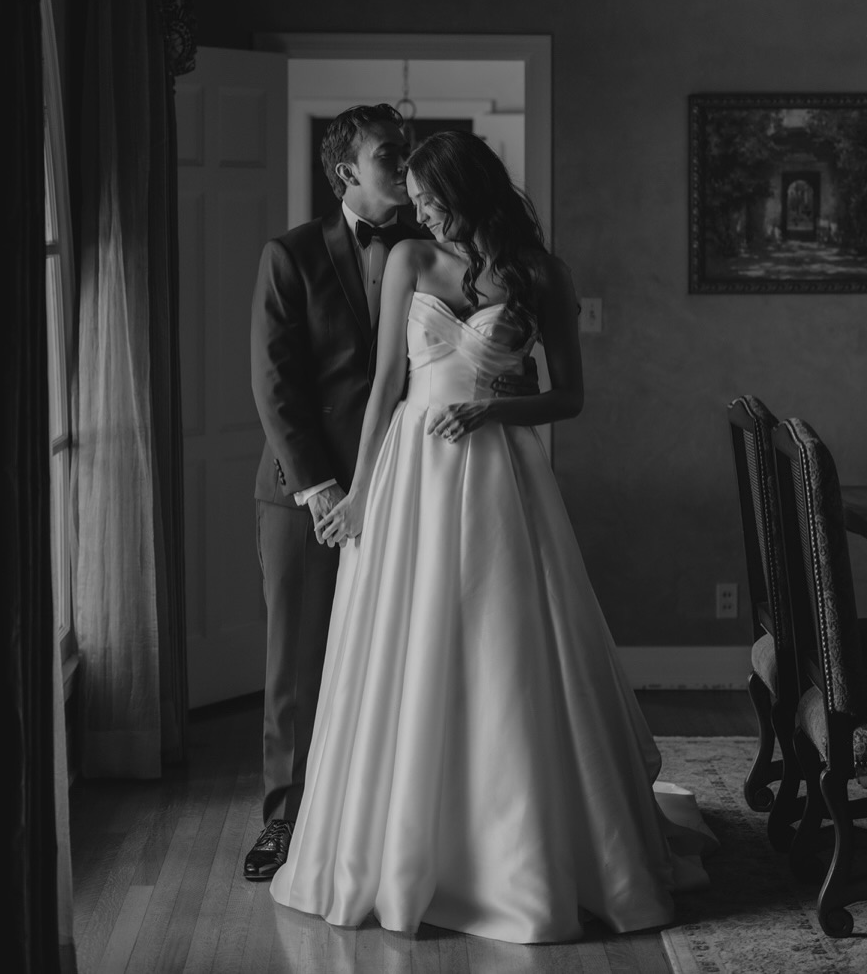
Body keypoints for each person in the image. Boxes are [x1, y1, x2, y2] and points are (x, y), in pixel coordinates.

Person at [268, 131, 714, 943]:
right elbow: (383, 394)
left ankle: (520, 849)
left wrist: (493, 409)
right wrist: (362, 494)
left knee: (507, 651)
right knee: (408, 649)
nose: (421, 212)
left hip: (501, 476)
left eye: (433, 199)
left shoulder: (543, 275)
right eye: (415, 199)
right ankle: (407, 849)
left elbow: (569, 397)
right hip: (412, 479)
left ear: (471, 192)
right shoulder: (408, 261)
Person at [245, 107, 531, 881]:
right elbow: (275, 387)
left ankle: (383, 822)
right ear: (346, 172)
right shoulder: (292, 254)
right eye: (389, 154)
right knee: (299, 664)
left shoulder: (434, 251)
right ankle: (287, 821)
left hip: (413, 485)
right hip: (309, 491)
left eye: (407, 152)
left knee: (399, 654)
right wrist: (326, 489)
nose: (404, 166)